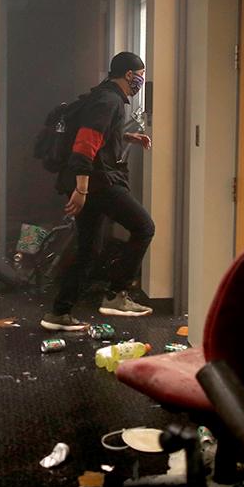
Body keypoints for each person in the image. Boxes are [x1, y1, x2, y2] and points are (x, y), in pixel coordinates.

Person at [41, 52, 156, 331]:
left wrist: (126, 136)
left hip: (91, 181)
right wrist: (82, 190)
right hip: (97, 182)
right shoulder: (110, 100)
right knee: (144, 227)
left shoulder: (101, 95)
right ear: (129, 74)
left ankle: (59, 312)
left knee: (88, 249)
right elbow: (84, 145)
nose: (142, 79)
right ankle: (116, 295)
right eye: (140, 73)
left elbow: (96, 132)